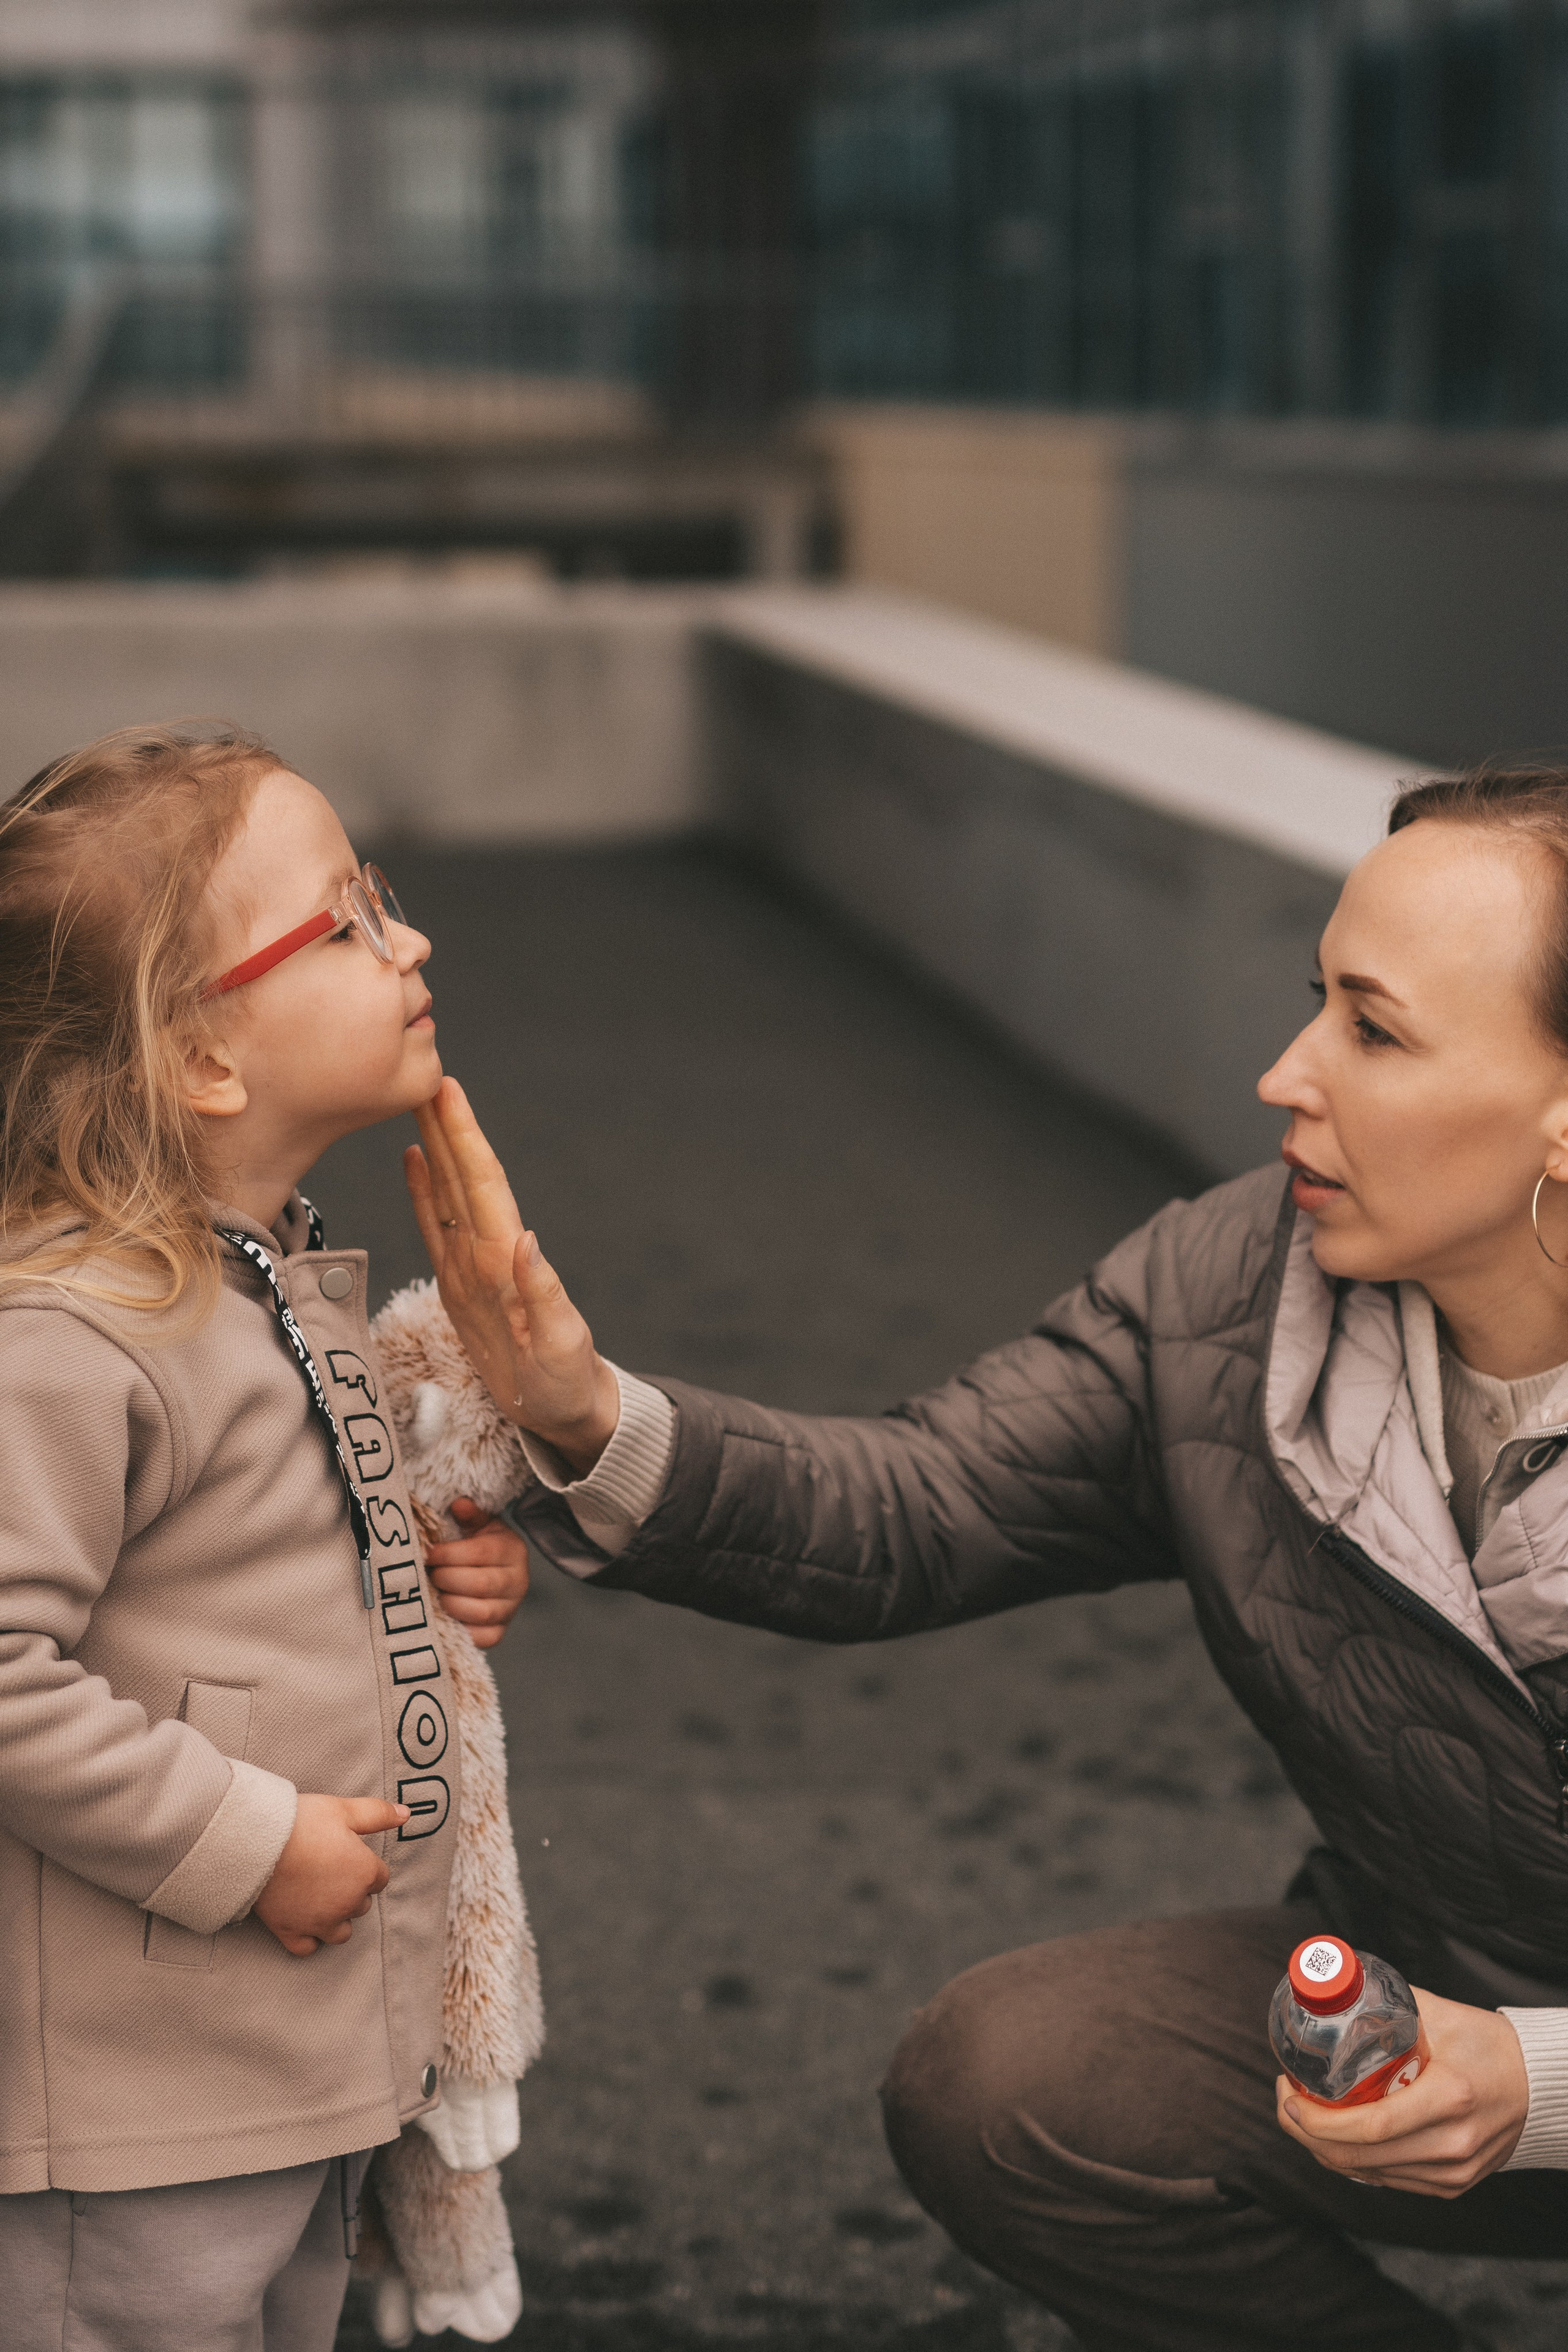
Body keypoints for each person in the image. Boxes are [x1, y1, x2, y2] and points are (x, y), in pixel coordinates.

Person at [409, 767, 1568, 2352]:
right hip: (1421, 2015)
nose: (1284, 1074)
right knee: (1017, 2086)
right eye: (1317, 1002)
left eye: (1374, 1031)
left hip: (1537, 2075)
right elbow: (917, 1507)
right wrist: (583, 1412)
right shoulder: (1228, 1293)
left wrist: (1542, 2082)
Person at [0, 724, 528, 2352]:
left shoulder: (256, 1280)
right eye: (351, 921)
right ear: (206, 1062)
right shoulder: (74, 1336)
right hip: (135, 2108)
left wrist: (436, 1586)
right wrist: (246, 1841)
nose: (410, 939)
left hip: (284, 2061)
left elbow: (252, 1565)